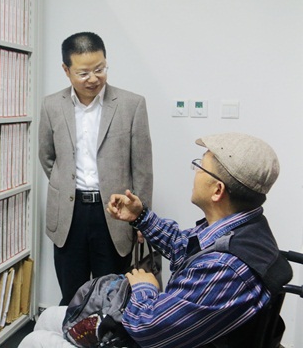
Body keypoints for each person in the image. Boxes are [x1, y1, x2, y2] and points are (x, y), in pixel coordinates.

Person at [106, 132, 293, 347]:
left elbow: (148, 328)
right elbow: (183, 247)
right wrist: (141, 217)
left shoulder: (224, 267)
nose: (195, 172)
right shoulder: (245, 227)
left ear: (217, 190)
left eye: (200, 166)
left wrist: (145, 287)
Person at [38, 31, 153, 305]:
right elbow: (47, 157)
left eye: (100, 69)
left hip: (113, 214)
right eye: (83, 73)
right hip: (69, 213)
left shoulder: (132, 104)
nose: (93, 79)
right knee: (72, 296)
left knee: (112, 298)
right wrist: (66, 184)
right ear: (66, 70)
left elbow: (142, 168)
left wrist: (142, 218)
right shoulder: (52, 105)